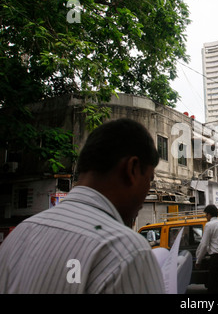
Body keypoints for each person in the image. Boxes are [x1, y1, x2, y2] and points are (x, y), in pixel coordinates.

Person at [0, 118, 165, 293]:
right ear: (132, 168)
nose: (148, 190)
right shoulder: (128, 253)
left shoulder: (19, 235)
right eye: (149, 179)